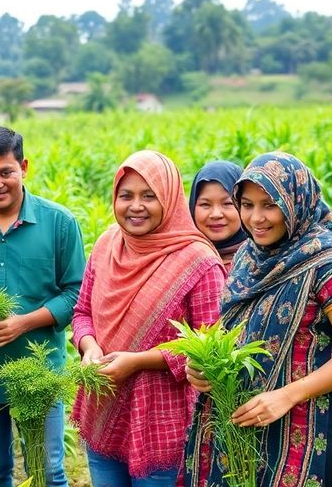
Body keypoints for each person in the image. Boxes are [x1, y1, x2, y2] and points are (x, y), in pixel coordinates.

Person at [182, 152, 332, 487]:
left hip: (312, 427)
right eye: (247, 204)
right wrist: (203, 367)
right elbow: (233, 330)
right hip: (246, 424)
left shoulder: (329, 264)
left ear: (295, 201)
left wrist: (286, 395)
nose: (256, 218)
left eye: (270, 205)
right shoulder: (249, 255)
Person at [70, 151, 225, 486]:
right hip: (103, 409)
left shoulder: (199, 262)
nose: (135, 206)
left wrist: (138, 361)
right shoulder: (108, 243)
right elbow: (82, 312)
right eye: (126, 196)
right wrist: (90, 346)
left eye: (148, 196)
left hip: (161, 424)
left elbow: (211, 348)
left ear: (169, 198)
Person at [0, 126, 85, 487]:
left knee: (48, 473)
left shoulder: (59, 223)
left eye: (5, 172)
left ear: (23, 167)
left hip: (39, 373)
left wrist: (24, 322)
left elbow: (77, 294)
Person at [188, 160, 246, 269]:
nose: (216, 214)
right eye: (205, 204)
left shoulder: (261, 262)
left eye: (227, 203)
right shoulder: (182, 259)